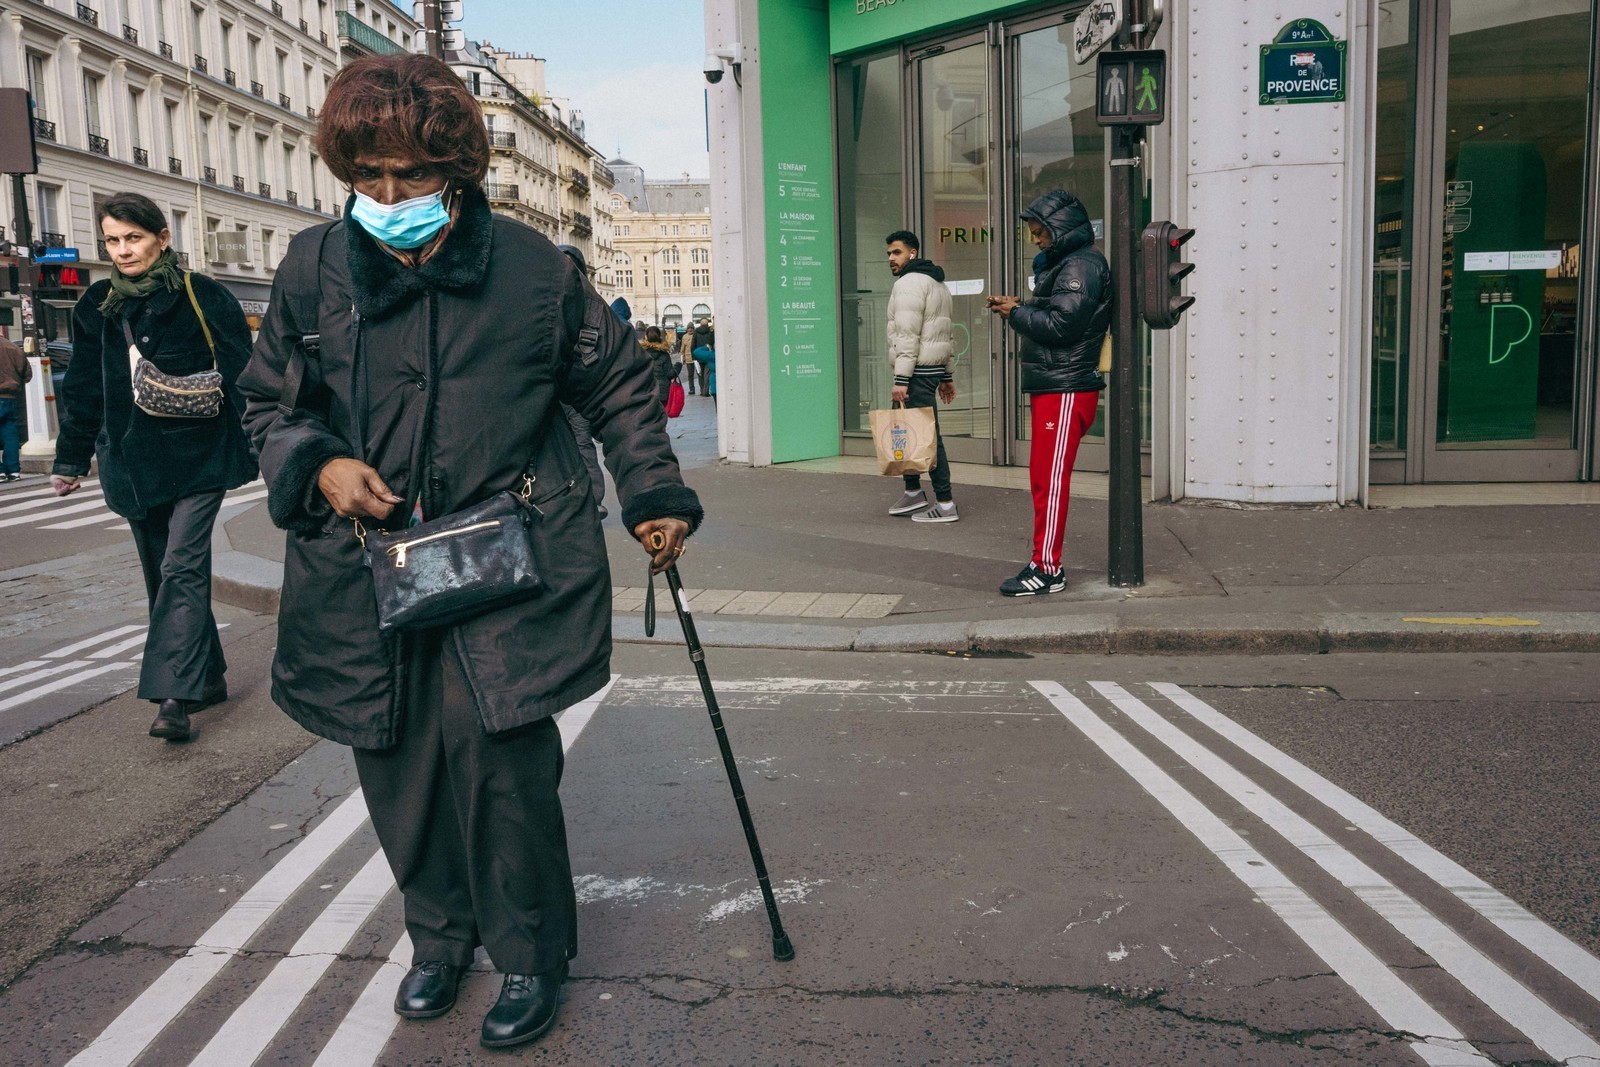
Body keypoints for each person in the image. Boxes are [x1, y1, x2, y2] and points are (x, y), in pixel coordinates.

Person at [236, 54, 701, 1051]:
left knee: (501, 765)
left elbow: (619, 389)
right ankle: (438, 938)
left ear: (453, 162)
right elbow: (269, 404)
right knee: (395, 760)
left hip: (509, 556)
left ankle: (530, 953)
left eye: (409, 173)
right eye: (369, 177)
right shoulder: (312, 268)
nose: (389, 196)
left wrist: (654, 495)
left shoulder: (536, 268)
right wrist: (317, 464)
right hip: (367, 565)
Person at [50, 193, 258, 738]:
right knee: (161, 573)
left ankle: (174, 697)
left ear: (162, 238)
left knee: (181, 568)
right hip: (131, 462)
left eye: (133, 238)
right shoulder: (96, 302)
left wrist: (271, 447)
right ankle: (207, 674)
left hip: (200, 456)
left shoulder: (202, 294)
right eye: (112, 240)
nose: (122, 250)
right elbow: (84, 387)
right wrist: (70, 458)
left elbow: (246, 376)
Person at [986, 189, 1110, 596]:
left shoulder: (1082, 264)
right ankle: (1044, 562)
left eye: (1041, 233)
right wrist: (1022, 303)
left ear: (1059, 230)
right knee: (1044, 477)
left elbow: (1062, 325)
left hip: (1067, 385)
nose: (1036, 240)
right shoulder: (1072, 263)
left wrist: (1016, 313)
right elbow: (1062, 308)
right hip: (1059, 384)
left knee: (1049, 479)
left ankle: (1048, 569)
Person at [882, 230, 958, 523]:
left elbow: (907, 334)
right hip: (930, 369)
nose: (891, 258)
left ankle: (946, 503)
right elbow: (945, 334)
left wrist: (901, 380)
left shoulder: (909, 284)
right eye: (889, 253)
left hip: (915, 372)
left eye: (896, 252)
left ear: (912, 253)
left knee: (927, 436)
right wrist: (946, 375)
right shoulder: (937, 283)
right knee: (910, 431)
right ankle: (913, 493)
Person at [555, 245, 609, 519]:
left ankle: (594, 499)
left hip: (577, 392)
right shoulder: (546, 302)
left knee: (582, 442)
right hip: (552, 393)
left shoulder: (593, 309)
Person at [0, 333, 31, 481]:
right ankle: (13, 471)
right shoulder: (13, 347)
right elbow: (27, 373)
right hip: (10, 397)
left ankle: (0, 471)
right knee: (10, 435)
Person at [640, 325, 675, 408]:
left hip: (646, 391)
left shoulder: (641, 353)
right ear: (660, 336)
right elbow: (670, 374)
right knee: (662, 416)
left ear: (646, 337)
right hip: (662, 392)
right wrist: (677, 367)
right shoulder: (664, 354)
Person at [690, 318, 714, 397]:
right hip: (707, 355)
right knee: (707, 374)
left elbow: (693, 344)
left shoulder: (696, 332)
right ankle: (705, 391)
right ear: (707, 324)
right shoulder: (710, 331)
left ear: (700, 324)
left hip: (698, 355)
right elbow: (711, 342)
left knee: (700, 374)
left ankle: (701, 390)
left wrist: (693, 357)